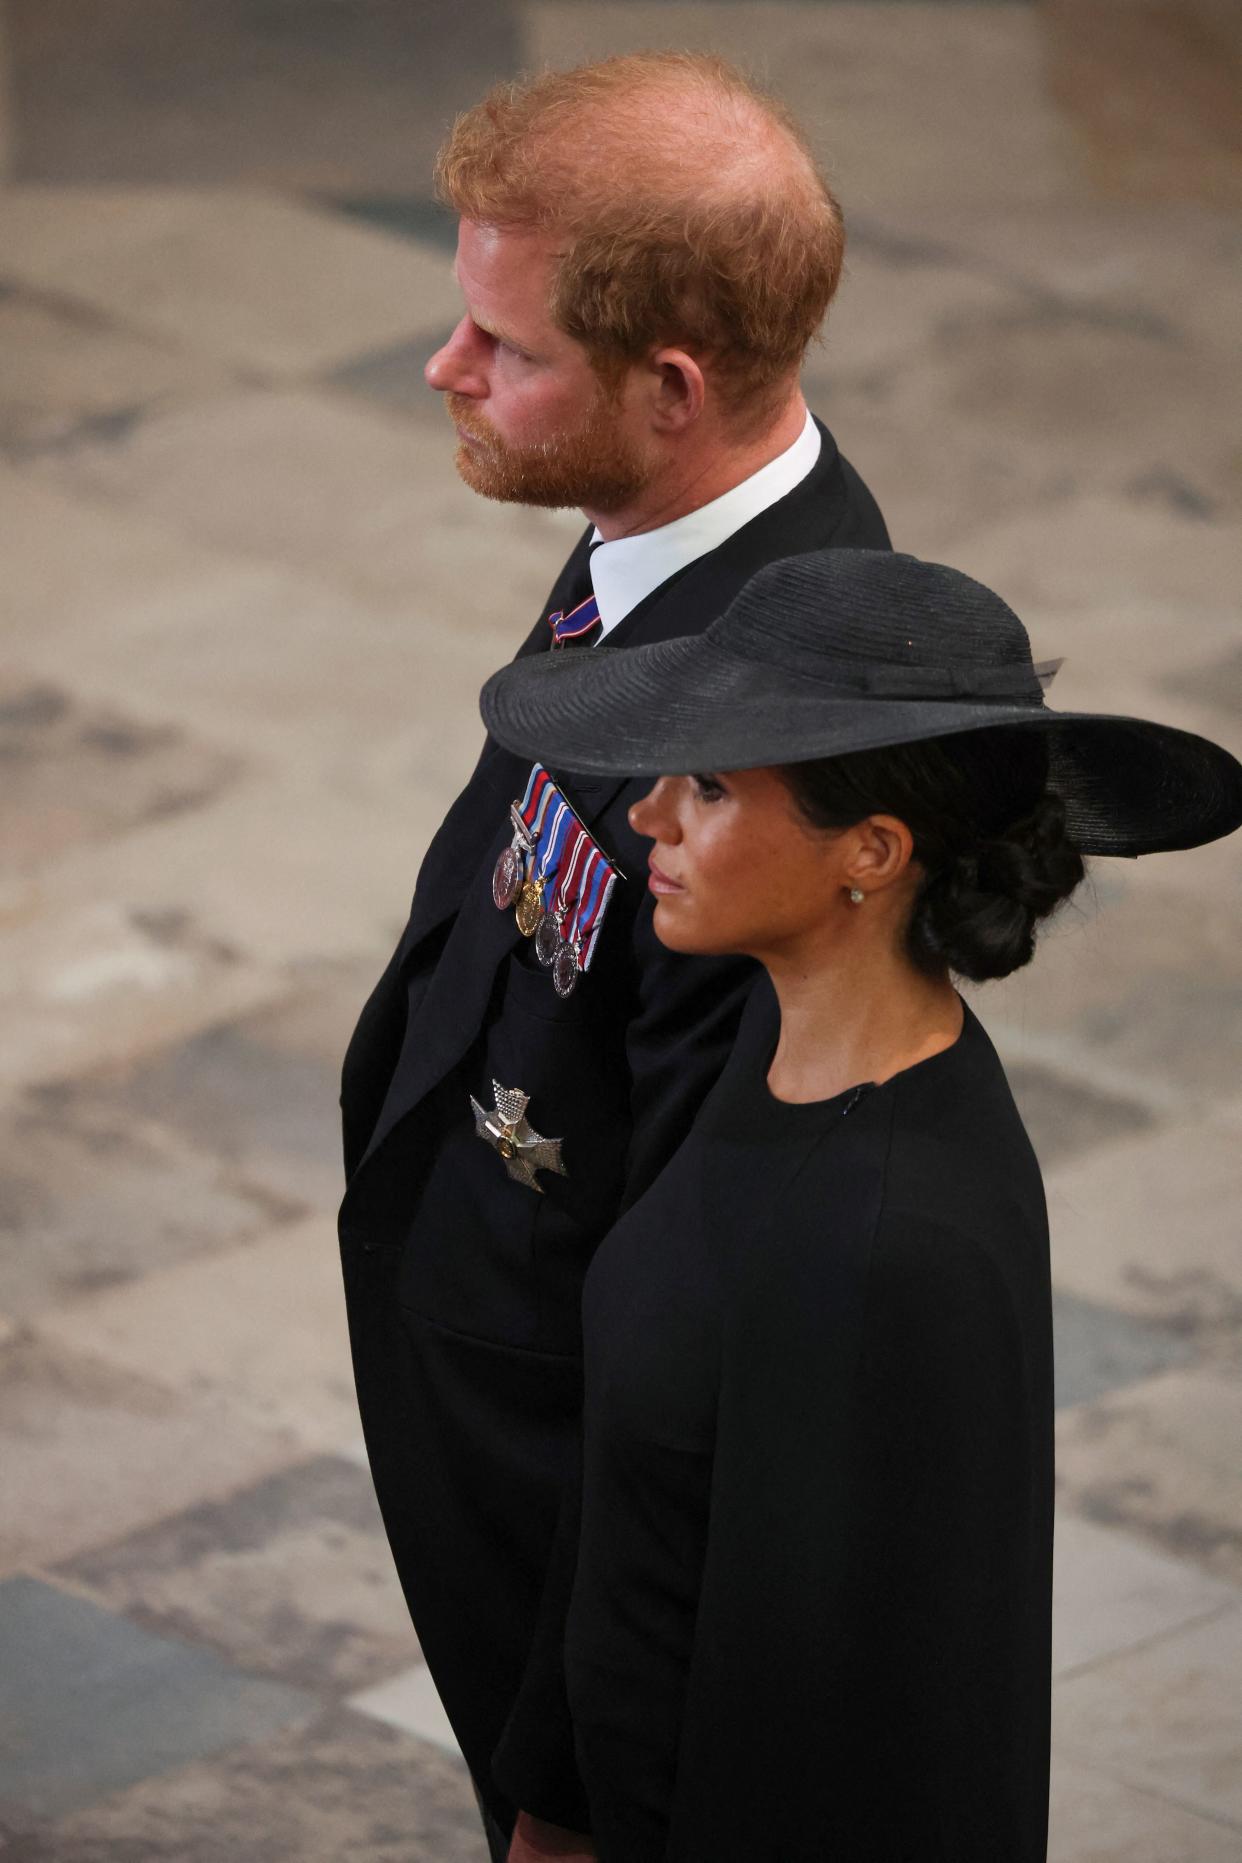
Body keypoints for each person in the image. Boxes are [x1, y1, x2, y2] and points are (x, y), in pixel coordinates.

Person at [478, 546, 1242, 1861]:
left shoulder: (892, 1243)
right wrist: (551, 1812)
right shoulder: (767, 1066)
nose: (649, 817)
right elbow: (640, 1510)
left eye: (709, 786)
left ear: (871, 853)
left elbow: (850, 1745)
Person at [337, 52, 889, 1861]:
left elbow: (689, 1310)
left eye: (505, 350)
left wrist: (567, 1775)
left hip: (558, 1479)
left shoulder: (768, 756)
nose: (449, 371)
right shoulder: (662, 534)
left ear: (672, 386)